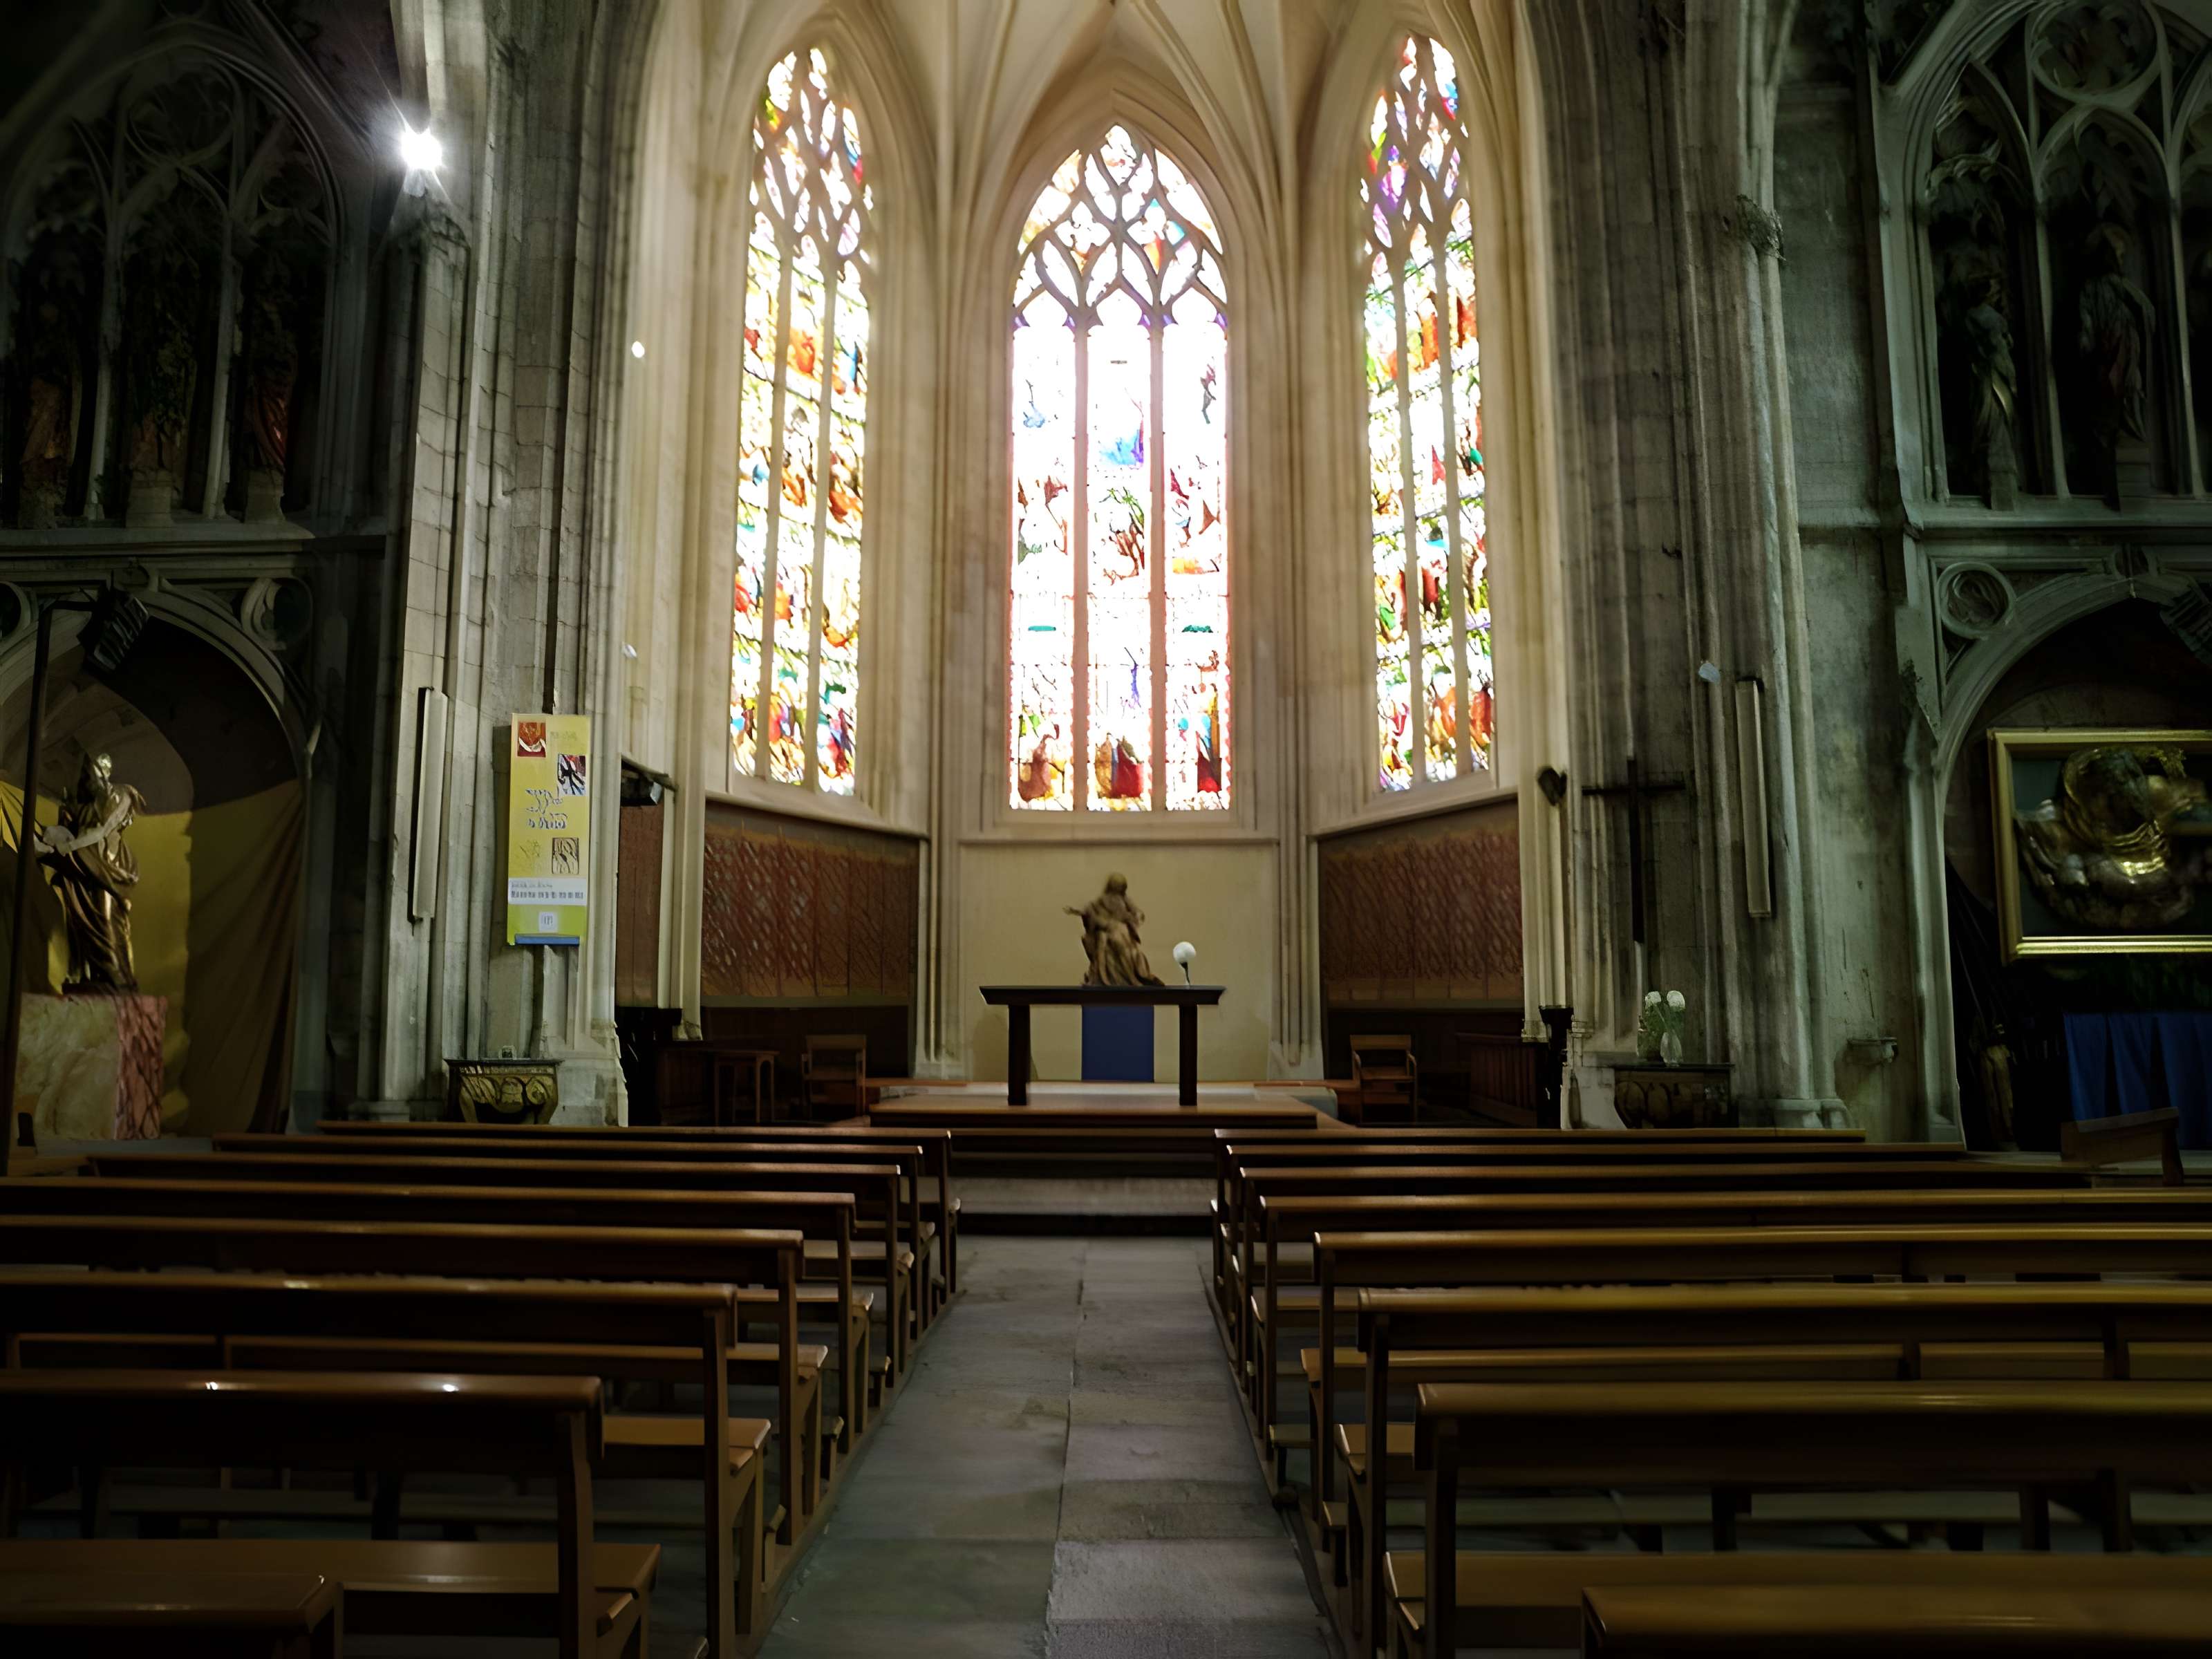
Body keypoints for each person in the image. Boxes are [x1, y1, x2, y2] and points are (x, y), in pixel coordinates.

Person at [39, 751, 148, 991]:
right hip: (85, 866)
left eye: (96, 773)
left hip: (108, 868)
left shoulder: (120, 795)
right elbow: (75, 827)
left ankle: (118, 976)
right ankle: (94, 976)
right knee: (82, 921)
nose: (91, 780)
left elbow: (101, 831)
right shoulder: (86, 804)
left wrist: (69, 846)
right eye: (88, 775)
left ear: (106, 772)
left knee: (107, 919)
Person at [1067, 873, 1165, 987]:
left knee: (1132, 953)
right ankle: (1131, 980)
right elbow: (1089, 910)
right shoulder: (1102, 900)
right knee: (1117, 946)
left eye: (1120, 886)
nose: (1118, 888)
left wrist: (1135, 916)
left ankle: (1134, 978)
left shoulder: (1125, 900)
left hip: (1123, 931)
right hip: (1109, 931)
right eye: (1116, 886)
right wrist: (1077, 912)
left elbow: (1137, 912)